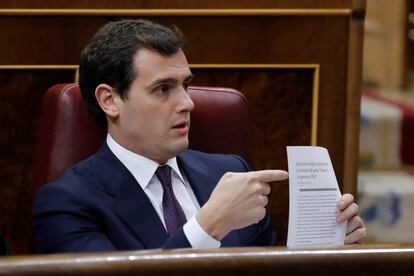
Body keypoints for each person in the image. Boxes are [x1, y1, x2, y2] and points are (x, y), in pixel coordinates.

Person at [34, 19, 366, 253]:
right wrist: (207, 226)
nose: (188, 103)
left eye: (186, 86)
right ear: (110, 100)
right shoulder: (68, 203)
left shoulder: (230, 172)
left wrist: (325, 250)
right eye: (163, 89)